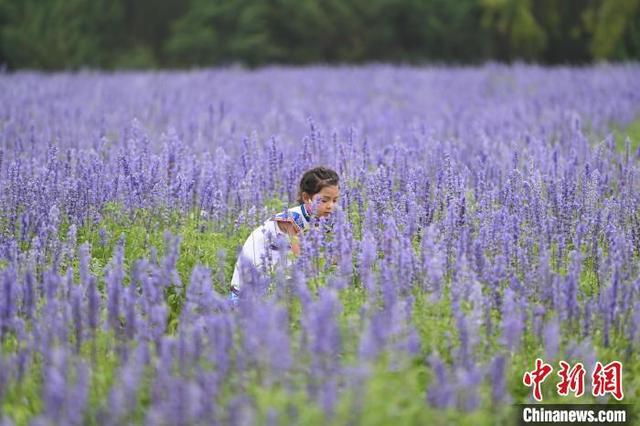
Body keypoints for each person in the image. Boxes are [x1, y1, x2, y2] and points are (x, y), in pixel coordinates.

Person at [229, 166, 340, 299]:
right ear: (306, 197)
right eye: (324, 200)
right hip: (259, 252)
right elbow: (300, 256)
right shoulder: (293, 218)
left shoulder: (322, 219)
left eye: (335, 200)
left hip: (279, 253)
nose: (330, 206)